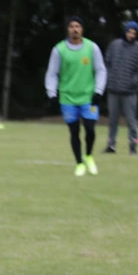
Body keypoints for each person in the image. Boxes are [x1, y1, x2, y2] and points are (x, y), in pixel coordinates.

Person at [45, 16, 107, 177]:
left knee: (90, 129)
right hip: (68, 99)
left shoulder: (92, 48)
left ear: (82, 29)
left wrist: (99, 91)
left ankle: (89, 156)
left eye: (78, 26)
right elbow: (52, 73)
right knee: (74, 131)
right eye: (72, 26)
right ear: (67, 29)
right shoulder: (59, 50)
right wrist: (52, 94)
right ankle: (79, 163)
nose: (75, 29)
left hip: (88, 98)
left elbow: (101, 70)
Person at [104, 20, 138, 155]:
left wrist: (132, 83)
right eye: (129, 32)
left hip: (130, 92)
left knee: (131, 120)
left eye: (134, 33)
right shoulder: (114, 45)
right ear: (125, 31)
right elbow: (107, 63)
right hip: (113, 89)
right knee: (112, 120)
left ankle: (133, 146)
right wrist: (109, 79)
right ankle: (111, 145)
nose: (131, 35)